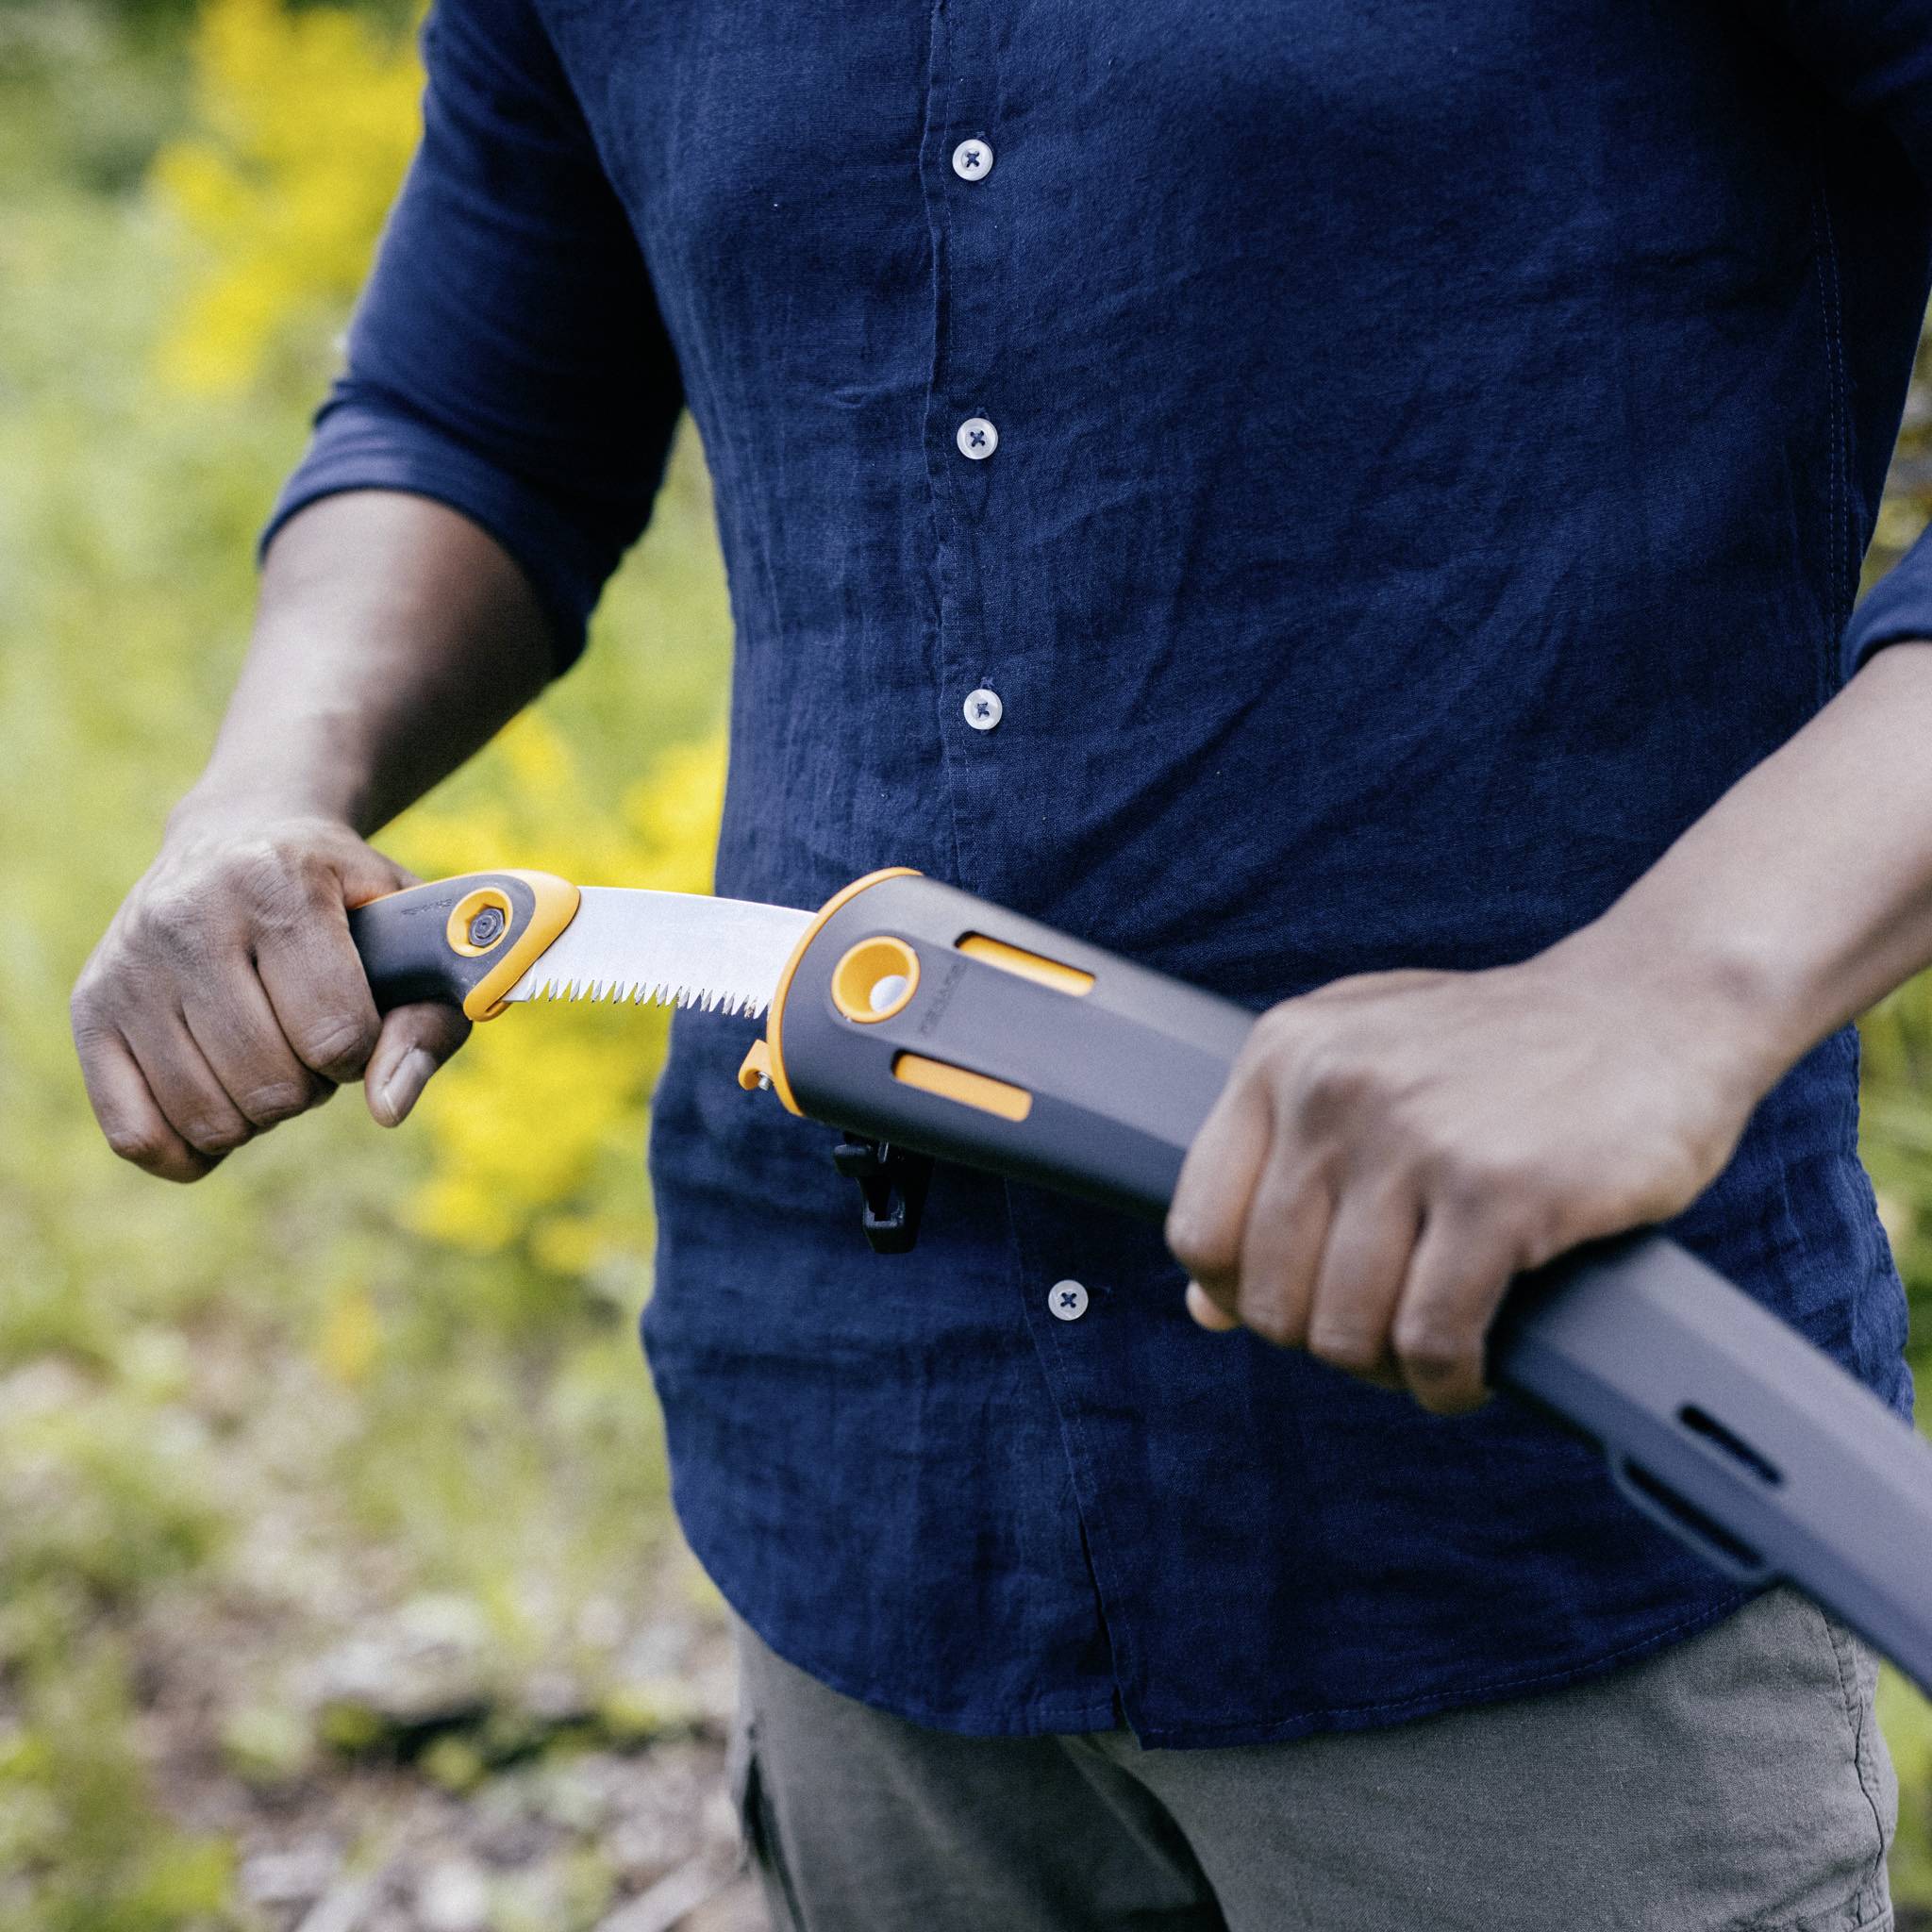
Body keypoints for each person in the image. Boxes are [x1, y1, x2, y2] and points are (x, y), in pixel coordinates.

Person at [70, 4, 1932, 1925]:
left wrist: (1673, 992)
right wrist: (261, 794)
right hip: (868, 1482)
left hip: (1524, 1490)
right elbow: (474, 418)